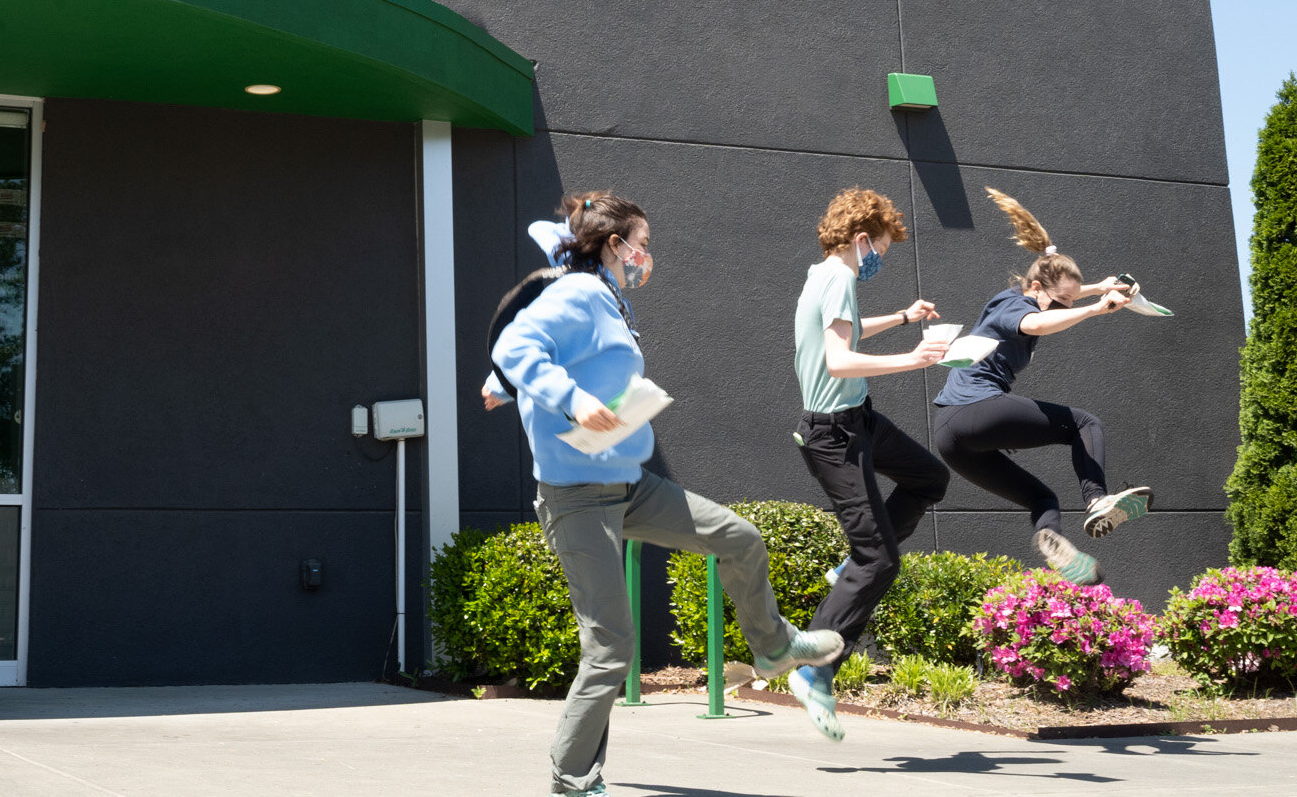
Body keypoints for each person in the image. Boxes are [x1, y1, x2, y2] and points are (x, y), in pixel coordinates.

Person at [492, 190, 844, 795]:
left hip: (628, 485)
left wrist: (515, 387)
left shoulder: (603, 296)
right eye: (642, 245)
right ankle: (572, 777)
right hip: (576, 496)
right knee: (610, 649)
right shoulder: (578, 292)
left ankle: (775, 647)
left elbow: (544, 345)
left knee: (739, 538)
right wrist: (566, 397)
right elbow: (514, 346)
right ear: (614, 245)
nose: (646, 257)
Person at [788, 186, 951, 741]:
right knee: (880, 562)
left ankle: (851, 569)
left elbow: (847, 332)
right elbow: (838, 360)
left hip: (859, 420)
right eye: (880, 247)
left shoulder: (828, 276)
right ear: (861, 240)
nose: (880, 256)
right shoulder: (838, 277)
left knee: (930, 477)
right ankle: (814, 669)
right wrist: (914, 358)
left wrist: (904, 318)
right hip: (833, 436)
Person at [930, 189, 1151, 586]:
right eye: (1059, 301)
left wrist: (1099, 288)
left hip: (952, 440)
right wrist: (1096, 309)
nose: (1063, 309)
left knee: (1042, 499)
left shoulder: (1018, 296)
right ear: (1034, 288)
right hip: (976, 409)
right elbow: (1035, 322)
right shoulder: (1020, 308)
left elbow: (1056, 298)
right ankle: (1097, 500)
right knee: (1085, 424)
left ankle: (1061, 552)